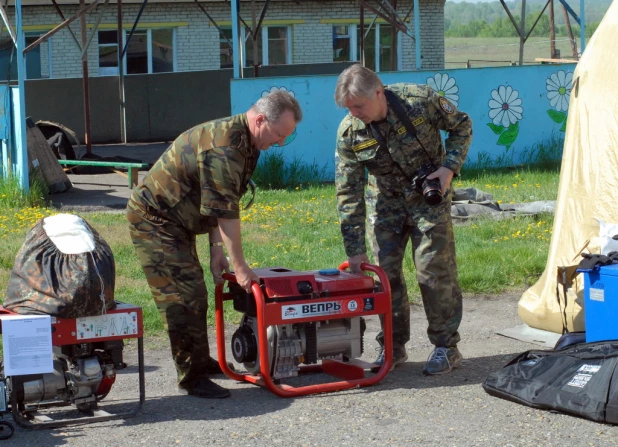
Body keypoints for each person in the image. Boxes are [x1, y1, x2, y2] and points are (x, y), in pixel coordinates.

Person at [127, 91, 302, 398]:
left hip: (180, 219)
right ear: (260, 120)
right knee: (183, 296)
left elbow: (218, 199)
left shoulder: (249, 142)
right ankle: (190, 376)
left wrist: (216, 251)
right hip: (154, 218)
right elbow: (225, 212)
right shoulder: (226, 147)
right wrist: (240, 267)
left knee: (197, 292)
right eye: (278, 135)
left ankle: (200, 361)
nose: (280, 143)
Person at [334, 64, 472, 375]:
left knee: (433, 272)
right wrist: (354, 249)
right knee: (385, 278)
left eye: (359, 106)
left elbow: (462, 125)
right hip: (385, 206)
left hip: (428, 201)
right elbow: (348, 193)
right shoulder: (350, 132)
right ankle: (393, 348)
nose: (354, 113)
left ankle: (446, 347)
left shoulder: (419, 101)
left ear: (379, 93)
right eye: (349, 108)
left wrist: (449, 169)